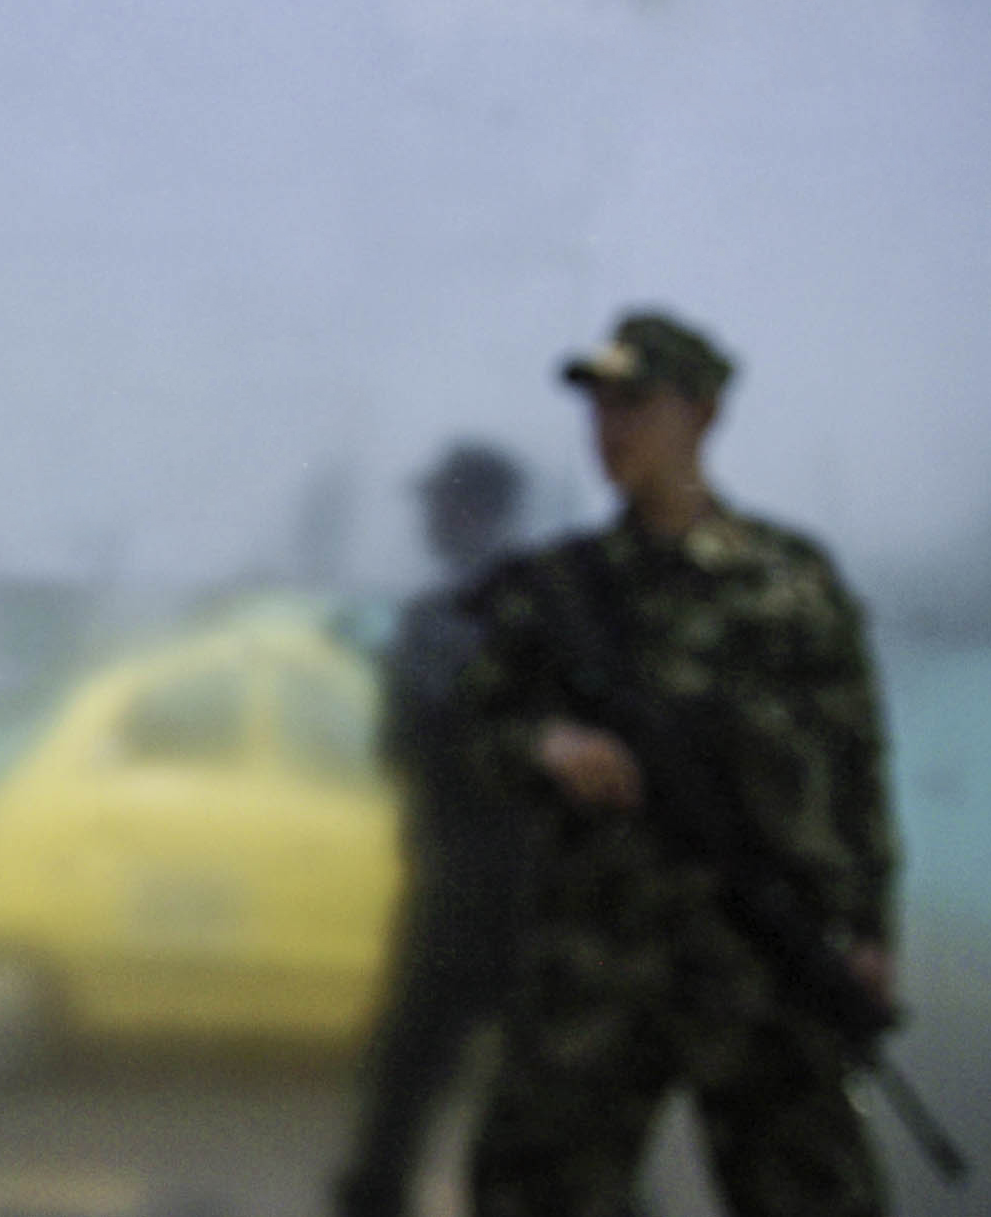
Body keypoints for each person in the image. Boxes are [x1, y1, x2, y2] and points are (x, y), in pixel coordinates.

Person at [460, 311, 898, 1217]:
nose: (610, 429)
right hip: (596, 964)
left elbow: (855, 762)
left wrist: (868, 927)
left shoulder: (790, 582)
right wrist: (542, 745)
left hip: (763, 960)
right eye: (598, 407)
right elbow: (467, 731)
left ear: (701, 414)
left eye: (635, 403)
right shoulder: (557, 589)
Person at [334, 441, 533, 1217]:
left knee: (402, 1095)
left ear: (469, 512)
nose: (423, 521)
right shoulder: (554, 610)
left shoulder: (437, 621)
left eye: (435, 505)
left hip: (464, 886)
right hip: (537, 892)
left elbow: (403, 749)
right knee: (556, 1115)